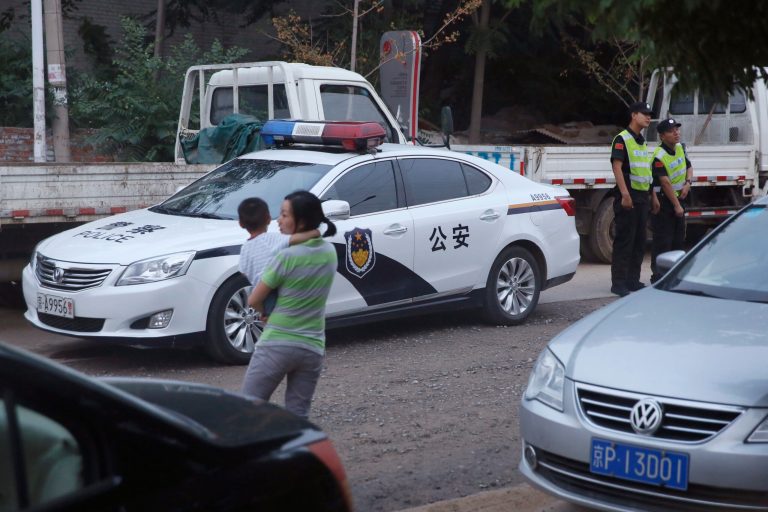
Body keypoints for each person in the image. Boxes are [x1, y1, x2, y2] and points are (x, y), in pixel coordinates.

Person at [241, 191, 338, 419]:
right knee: (298, 415)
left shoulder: (286, 257)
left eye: (284, 215)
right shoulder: (329, 252)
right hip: (313, 346)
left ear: (301, 221)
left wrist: (264, 313)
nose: (279, 220)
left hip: (277, 343)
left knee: (247, 409)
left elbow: (254, 299)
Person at [237, 197, 319, 316]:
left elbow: (243, 272)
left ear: (241, 224)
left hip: (263, 295)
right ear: (269, 219)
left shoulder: (245, 248)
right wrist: (314, 233)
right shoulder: (275, 239)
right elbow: (295, 239)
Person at [609, 101, 657, 297]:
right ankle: (618, 283)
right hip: (628, 197)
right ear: (633, 115)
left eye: (649, 114)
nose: (648, 117)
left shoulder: (641, 141)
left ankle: (633, 280)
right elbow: (617, 167)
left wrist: (652, 195)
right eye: (644, 114)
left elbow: (646, 170)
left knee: (639, 241)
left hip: (642, 197)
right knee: (624, 241)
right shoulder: (622, 139)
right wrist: (625, 194)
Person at [650, 118, 693, 283]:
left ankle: (675, 275)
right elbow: (665, 182)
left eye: (677, 129)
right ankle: (659, 276)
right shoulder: (659, 156)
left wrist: (688, 184)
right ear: (662, 136)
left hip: (680, 198)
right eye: (671, 131)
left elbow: (689, 167)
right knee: (663, 241)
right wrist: (676, 206)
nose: (676, 133)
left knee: (678, 240)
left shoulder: (681, 148)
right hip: (664, 202)